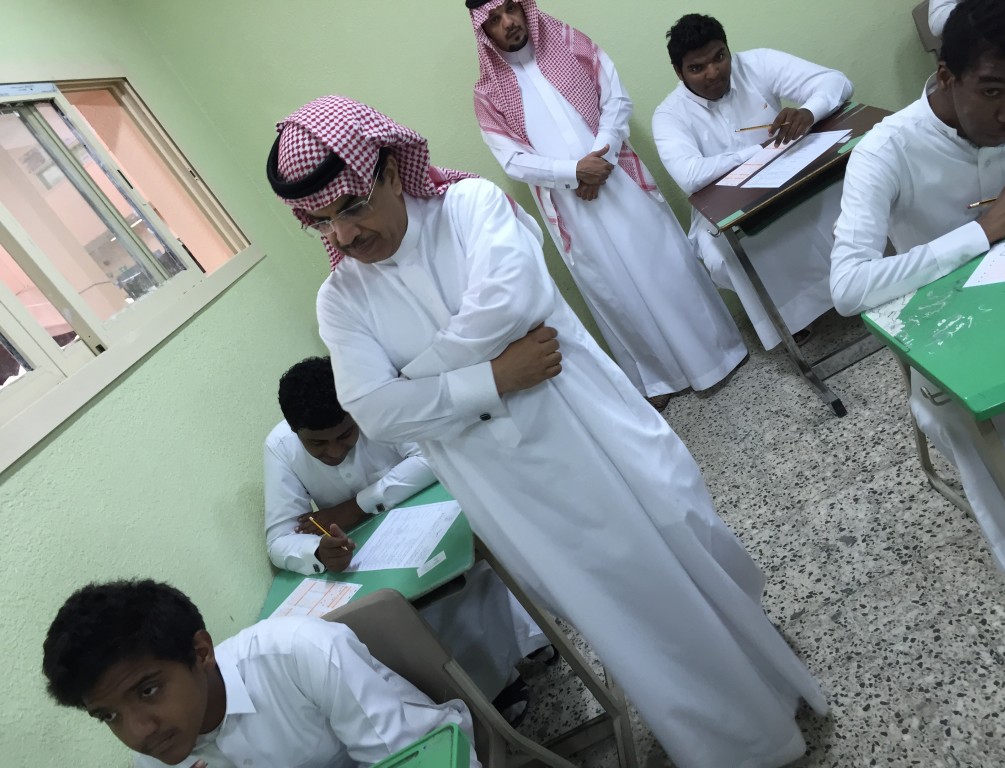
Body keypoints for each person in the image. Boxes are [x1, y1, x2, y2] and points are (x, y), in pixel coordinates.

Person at [265, 94, 826, 768]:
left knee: (687, 539)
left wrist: (411, 380)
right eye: (322, 221)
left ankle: (767, 673)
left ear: (388, 170)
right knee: (625, 618)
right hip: (509, 488)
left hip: (588, 434)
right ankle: (739, 747)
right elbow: (377, 414)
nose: (345, 235)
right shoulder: (340, 300)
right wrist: (495, 377)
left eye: (352, 206)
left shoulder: (469, 207)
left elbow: (511, 304)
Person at [467, 0, 747, 409]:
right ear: (483, 30)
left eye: (511, 8)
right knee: (615, 292)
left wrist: (600, 159)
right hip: (570, 206)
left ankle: (716, 356)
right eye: (495, 19)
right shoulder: (488, 93)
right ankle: (658, 380)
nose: (508, 22)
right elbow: (512, 159)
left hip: (620, 180)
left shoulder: (569, 43)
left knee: (667, 267)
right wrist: (573, 172)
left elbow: (616, 101)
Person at [830, 0, 1005, 571]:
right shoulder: (885, 150)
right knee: (999, 437)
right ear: (946, 76)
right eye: (992, 91)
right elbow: (848, 287)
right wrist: (980, 232)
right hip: (950, 337)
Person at [265, 355, 551, 707]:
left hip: (430, 515)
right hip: (373, 555)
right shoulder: (280, 447)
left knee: (469, 575)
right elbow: (279, 538)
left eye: (345, 434)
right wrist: (317, 552)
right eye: (318, 445)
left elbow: (429, 457)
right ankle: (495, 684)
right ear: (296, 433)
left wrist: (356, 506)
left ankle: (528, 639)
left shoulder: (376, 402)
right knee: (416, 614)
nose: (335, 451)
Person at [42, 579, 480, 768]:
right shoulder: (154, 755)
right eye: (108, 716)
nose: (138, 732)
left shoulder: (299, 653)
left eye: (149, 690)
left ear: (201, 652)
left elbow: (408, 760)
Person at [652, 13, 853, 351]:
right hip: (723, 202)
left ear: (728, 50)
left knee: (843, 189)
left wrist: (808, 112)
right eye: (697, 68)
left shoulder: (757, 63)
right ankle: (791, 317)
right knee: (720, 254)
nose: (713, 72)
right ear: (679, 72)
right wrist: (761, 151)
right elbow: (691, 175)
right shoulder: (669, 114)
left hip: (789, 175)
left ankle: (862, 277)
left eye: (719, 57)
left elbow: (837, 82)